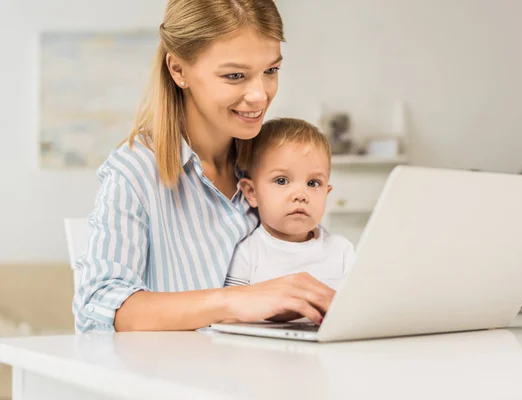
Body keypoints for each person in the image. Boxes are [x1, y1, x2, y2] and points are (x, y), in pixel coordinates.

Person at [73, 0, 335, 333]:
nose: (260, 95)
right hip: (174, 379)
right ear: (179, 70)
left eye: (270, 71)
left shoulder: (272, 166)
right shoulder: (135, 172)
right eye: (235, 75)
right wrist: (234, 302)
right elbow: (97, 307)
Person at [224, 118, 354, 291]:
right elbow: (230, 311)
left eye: (313, 183)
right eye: (282, 180)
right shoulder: (247, 253)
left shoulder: (342, 252)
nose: (301, 195)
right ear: (252, 192)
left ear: (326, 193)